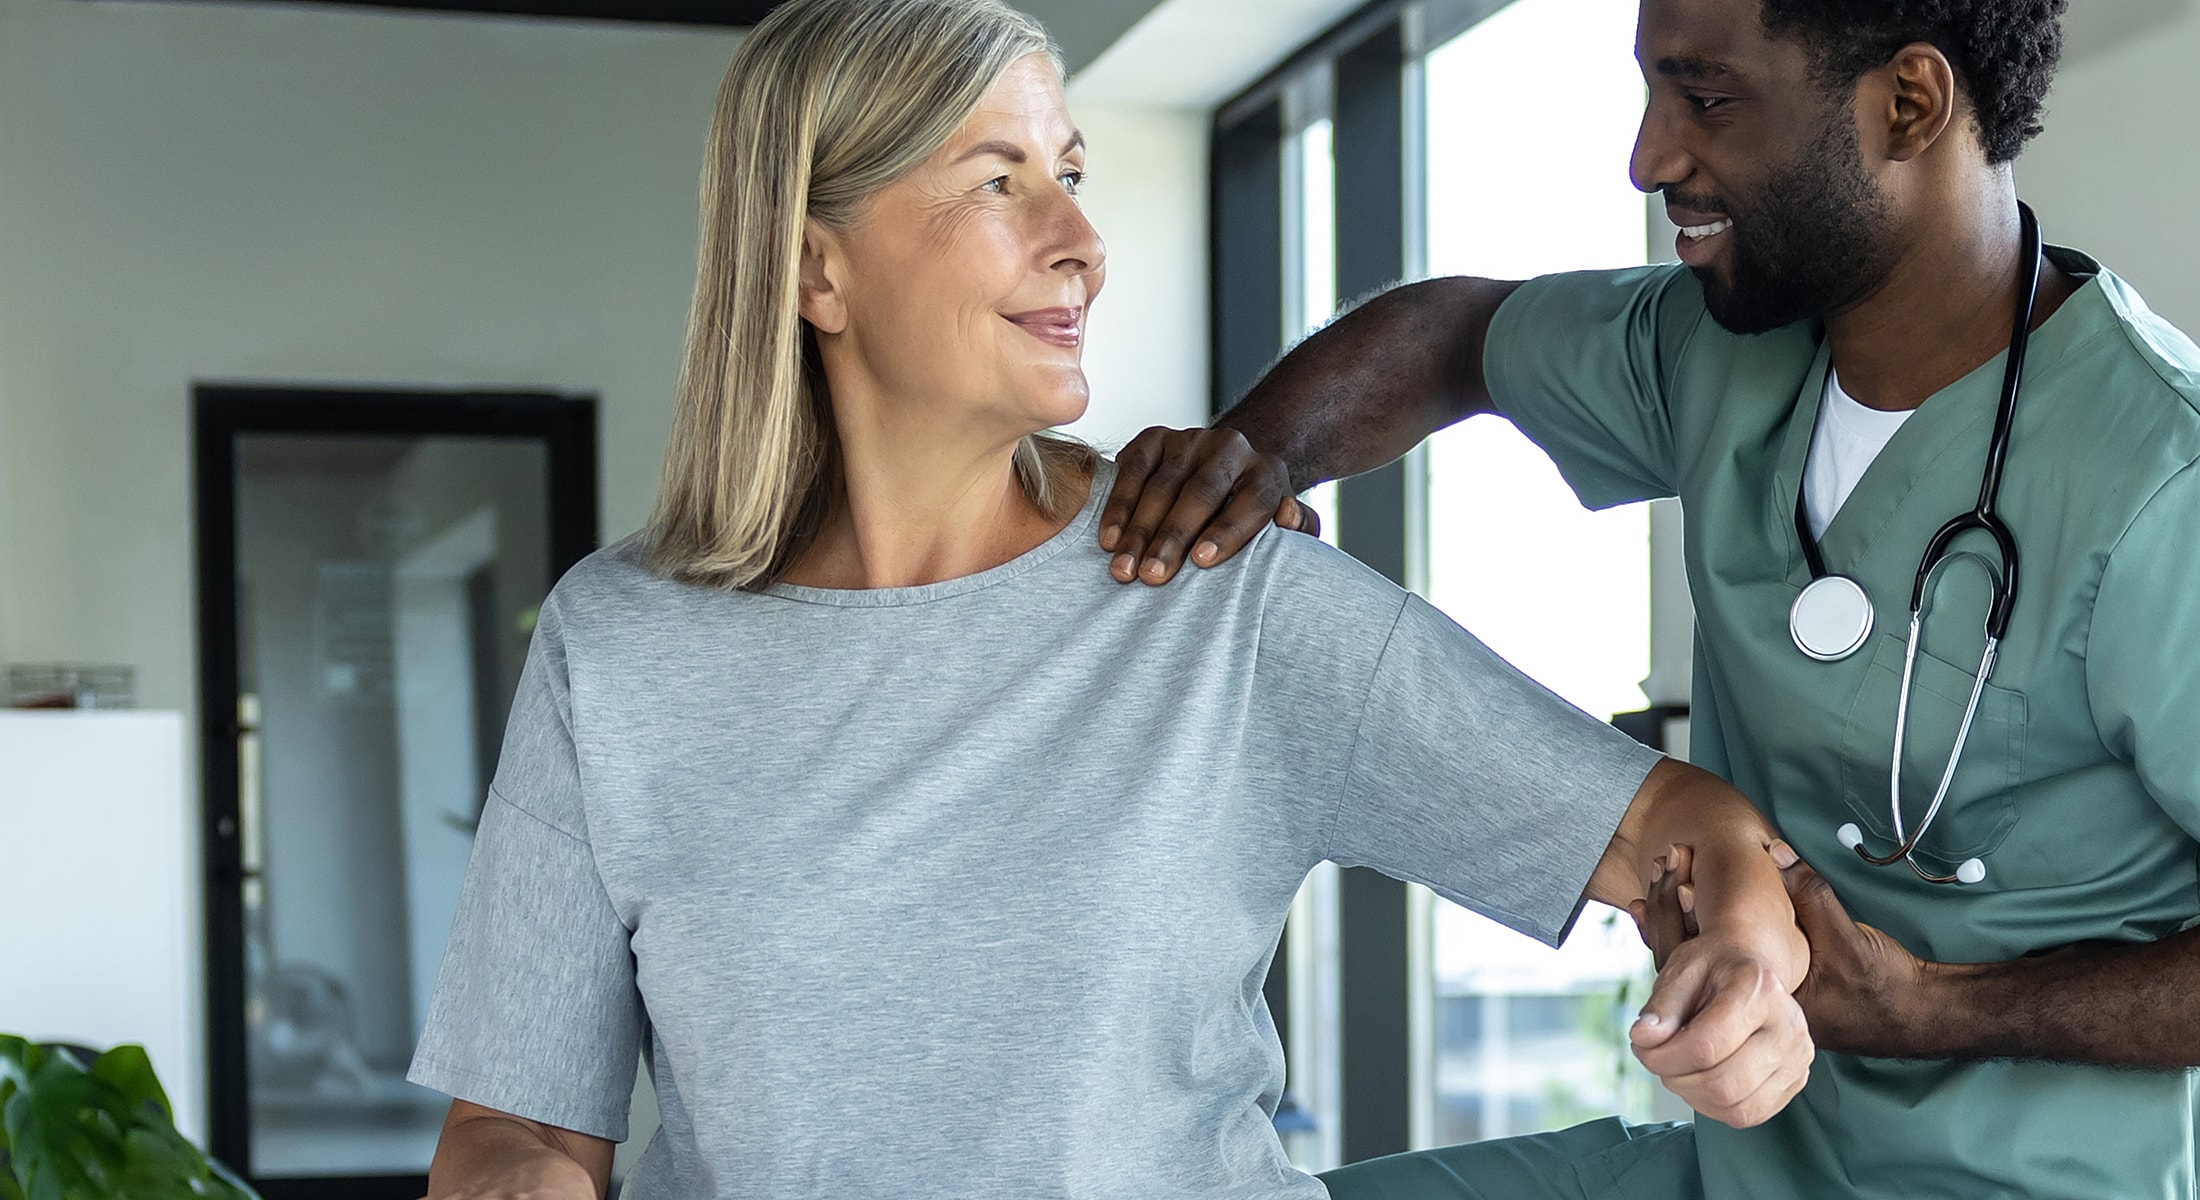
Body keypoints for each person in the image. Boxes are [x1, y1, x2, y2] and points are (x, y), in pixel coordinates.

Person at [401, 1, 1818, 1197]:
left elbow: (1672, 831)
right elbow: (513, 1125)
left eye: (1071, 173)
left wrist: (1748, 941)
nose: (1080, 238)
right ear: (814, 265)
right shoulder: (620, 643)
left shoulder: (1208, 600)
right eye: (1000, 179)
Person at [1098, 0, 2200, 1196]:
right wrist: (1250, 460)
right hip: (1740, 1168)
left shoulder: (2158, 478)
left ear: (1909, 103)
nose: (1650, 156)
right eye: (1650, 95)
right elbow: (1455, 335)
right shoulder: (1716, 349)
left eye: (1707, 99)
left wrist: (1934, 1007)